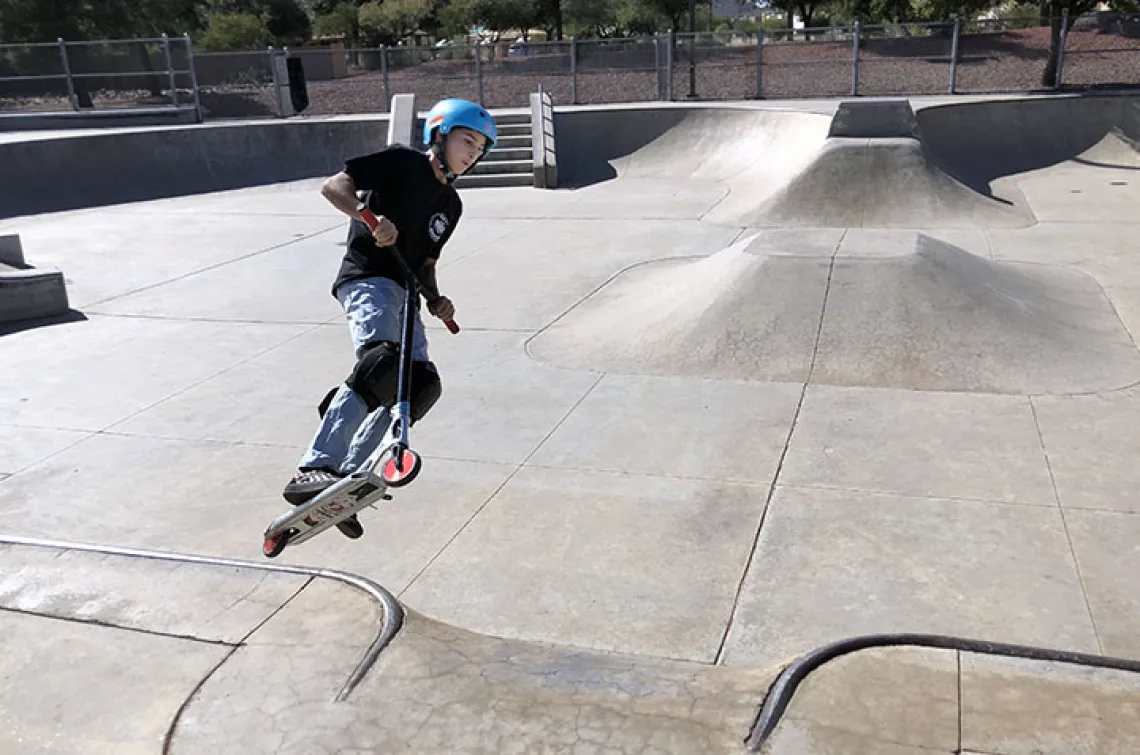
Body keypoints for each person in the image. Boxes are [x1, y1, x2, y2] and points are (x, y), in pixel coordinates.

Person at [282, 98, 497, 539]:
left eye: (480, 147)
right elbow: (334, 186)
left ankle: (347, 479)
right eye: (467, 140)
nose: (473, 151)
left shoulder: (451, 204)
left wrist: (437, 299)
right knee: (381, 364)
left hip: (408, 293)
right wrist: (370, 215)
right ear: (440, 135)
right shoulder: (402, 162)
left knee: (419, 384)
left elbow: (427, 264)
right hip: (369, 277)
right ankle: (314, 466)